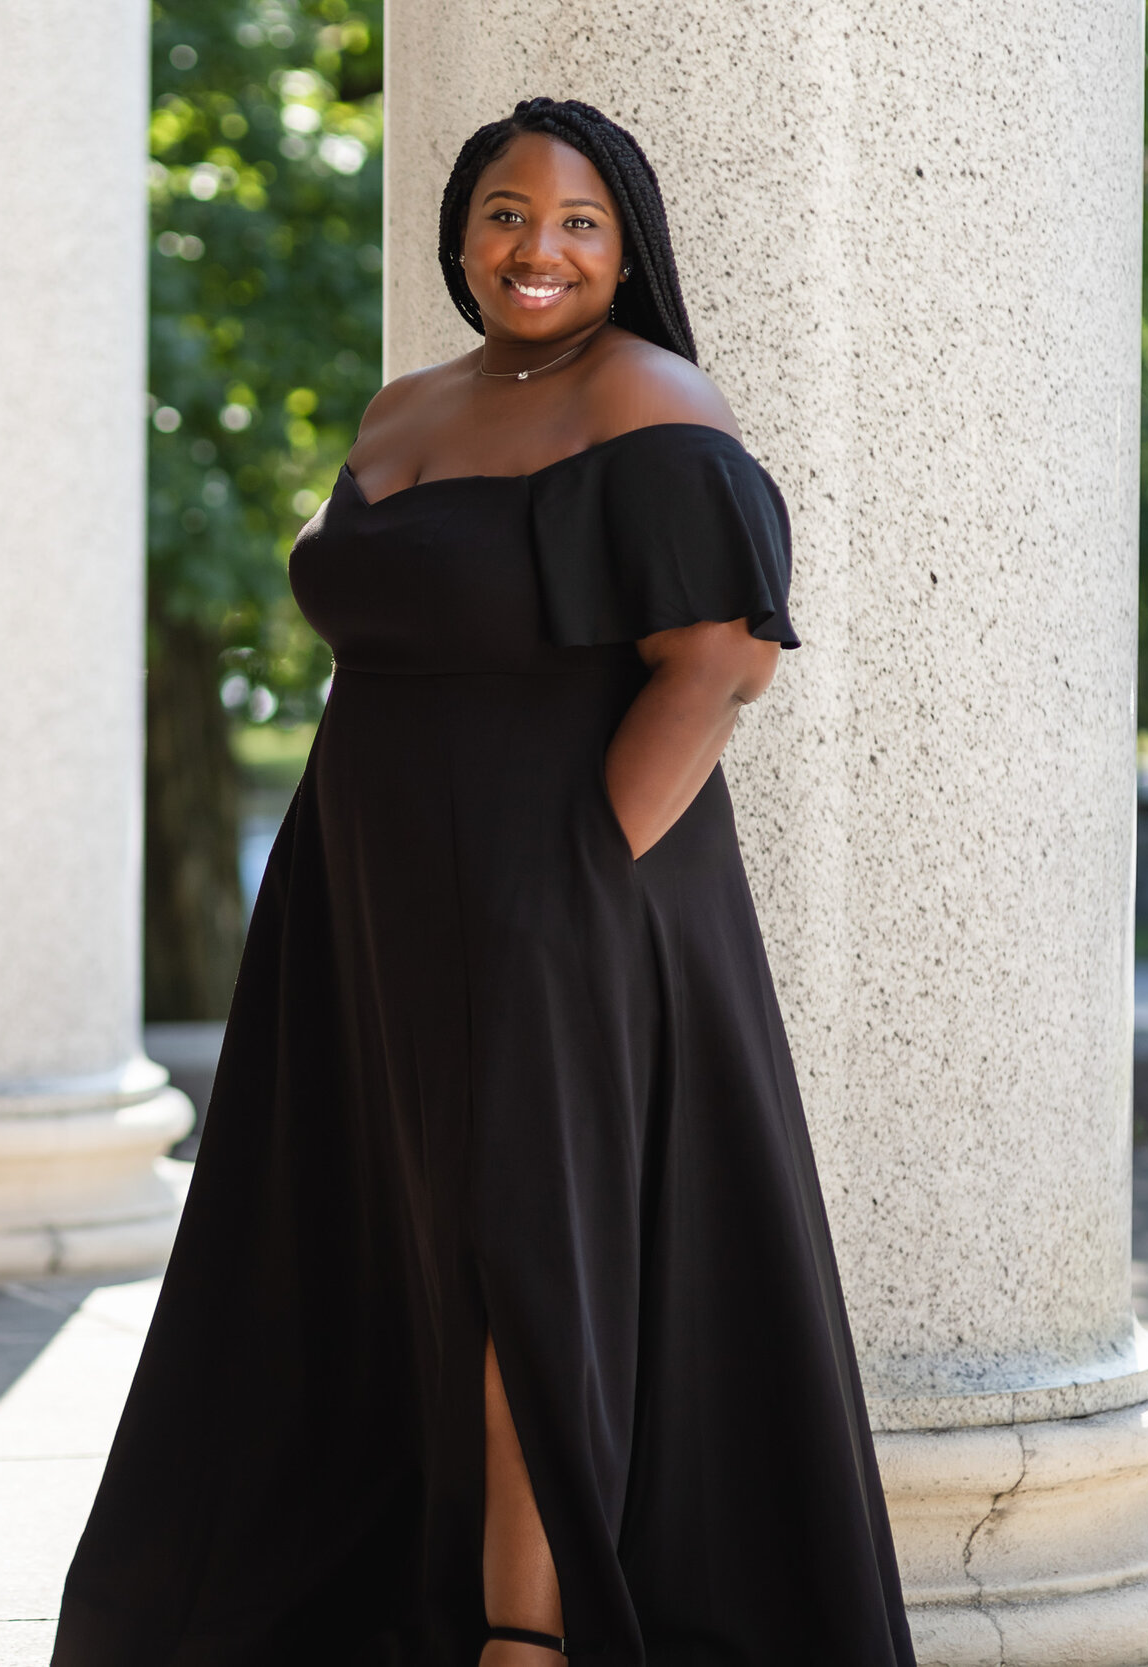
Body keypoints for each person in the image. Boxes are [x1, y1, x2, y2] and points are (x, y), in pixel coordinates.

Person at [52, 98, 915, 1666]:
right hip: (365, 893)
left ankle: (532, 1632)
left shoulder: (648, 401)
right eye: (508, 213)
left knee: (529, 1253)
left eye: (580, 223)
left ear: (626, 250)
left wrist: (576, 880)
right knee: (374, 1238)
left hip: (563, 896)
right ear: (459, 231)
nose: (540, 249)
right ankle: (389, 1595)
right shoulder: (404, 408)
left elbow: (717, 667)